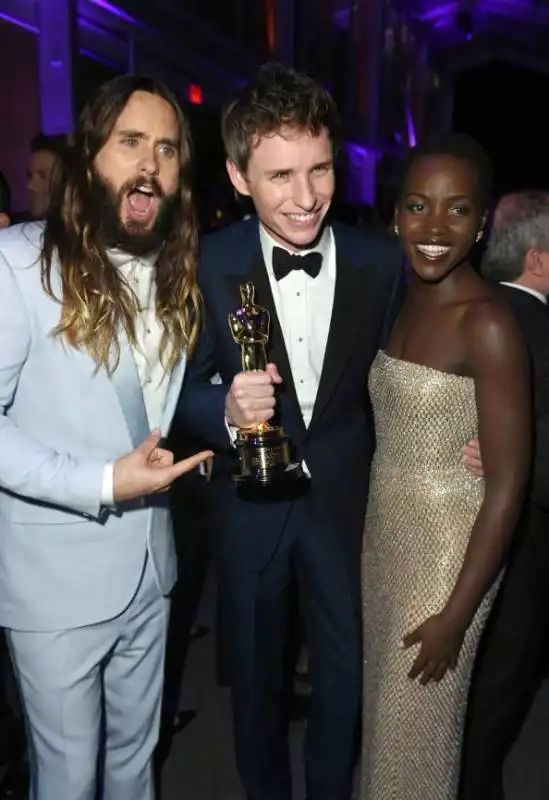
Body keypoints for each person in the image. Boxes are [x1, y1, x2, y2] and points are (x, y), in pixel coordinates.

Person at [176, 64, 481, 800]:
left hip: (348, 505)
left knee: (345, 681)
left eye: (318, 170)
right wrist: (220, 410)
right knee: (252, 687)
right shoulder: (204, 264)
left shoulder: (381, 261)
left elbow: (424, 354)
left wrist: (469, 431)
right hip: (247, 514)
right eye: (279, 176)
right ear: (238, 175)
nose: (305, 197)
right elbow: (169, 396)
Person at [0, 74, 212, 800]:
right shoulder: (18, 265)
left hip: (152, 572)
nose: (149, 163)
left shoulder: (176, 277)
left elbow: (156, 411)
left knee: (134, 764)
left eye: (166, 149)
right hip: (53, 586)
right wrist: (99, 483)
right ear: (91, 157)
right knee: (65, 781)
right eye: (130, 143)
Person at [358, 133, 531, 800]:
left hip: (446, 560)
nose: (433, 228)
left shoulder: (487, 323)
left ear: (483, 221)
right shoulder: (410, 295)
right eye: (416, 206)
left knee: (416, 741)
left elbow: (508, 485)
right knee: (383, 732)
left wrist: (456, 615)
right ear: (395, 212)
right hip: (387, 541)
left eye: (456, 210)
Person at [459, 191, 549, 800]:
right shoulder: (537, 327)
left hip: (447, 540)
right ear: (539, 259)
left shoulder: (459, 309)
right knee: (493, 707)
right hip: (523, 554)